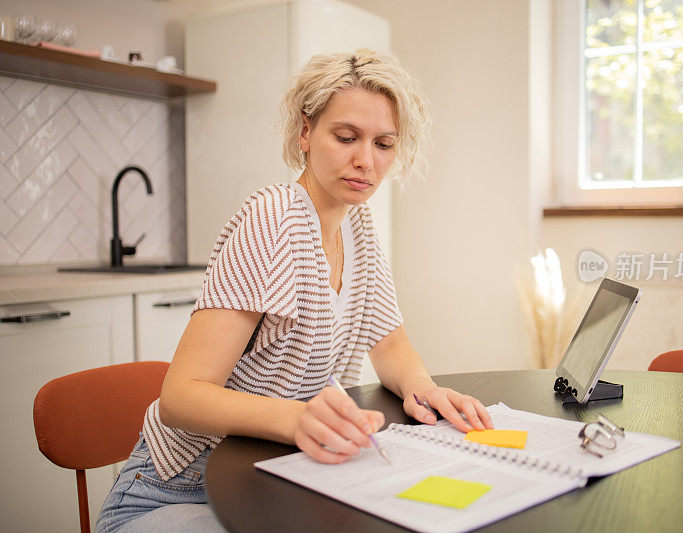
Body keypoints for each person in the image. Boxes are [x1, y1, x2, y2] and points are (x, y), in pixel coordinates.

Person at [96, 49, 494, 532]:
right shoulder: (271, 220)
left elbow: (389, 342)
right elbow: (181, 396)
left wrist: (425, 391)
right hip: (176, 490)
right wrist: (297, 419)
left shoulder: (359, 226)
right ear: (305, 132)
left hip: (270, 476)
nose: (365, 161)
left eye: (384, 144)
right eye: (346, 137)